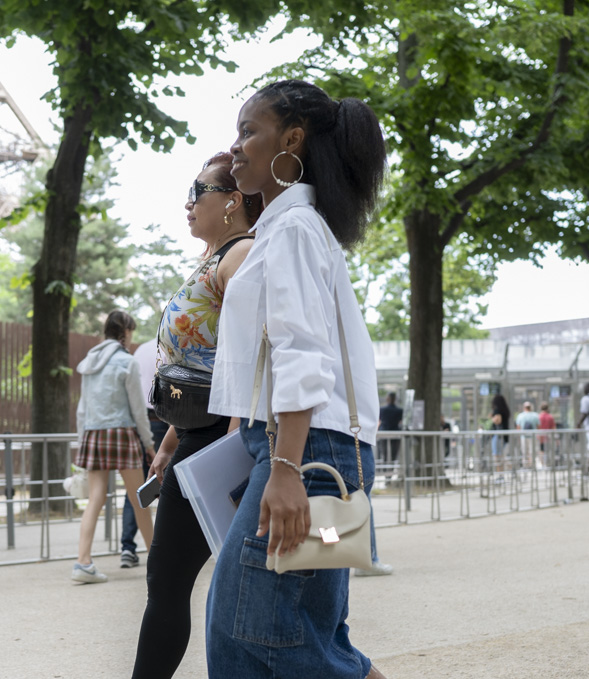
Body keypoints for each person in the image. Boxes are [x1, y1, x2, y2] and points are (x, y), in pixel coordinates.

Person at [205, 79, 388, 678]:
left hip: (306, 453)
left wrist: (283, 468)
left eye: (248, 131)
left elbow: (302, 353)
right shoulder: (289, 230)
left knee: (257, 634)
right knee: (287, 635)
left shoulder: (293, 231)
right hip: (305, 447)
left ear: (292, 140)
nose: (235, 147)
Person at [130, 152, 262, 679]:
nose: (187, 202)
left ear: (231, 201)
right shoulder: (215, 256)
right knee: (177, 579)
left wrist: (233, 449)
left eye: (198, 190)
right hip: (195, 433)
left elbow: (248, 360)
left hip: (220, 437)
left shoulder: (241, 255)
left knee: (173, 579)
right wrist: (168, 442)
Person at [72, 310, 155, 583]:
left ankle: (83, 563)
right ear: (126, 332)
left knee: (95, 498)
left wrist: (82, 438)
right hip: (121, 433)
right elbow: (138, 409)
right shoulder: (126, 362)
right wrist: (149, 443)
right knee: (139, 499)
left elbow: (82, 409)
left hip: (94, 434)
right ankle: (157, 562)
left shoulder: (88, 363)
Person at [121, 338, 169, 569]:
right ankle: (165, 546)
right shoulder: (172, 346)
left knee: (136, 488)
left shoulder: (141, 349)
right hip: (165, 420)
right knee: (166, 483)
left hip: (140, 422)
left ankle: (127, 548)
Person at [378, 391, 403, 468]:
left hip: (384, 434)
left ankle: (386, 470)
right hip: (395, 434)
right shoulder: (399, 411)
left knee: (384, 453)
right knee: (393, 455)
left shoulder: (382, 409)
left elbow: (380, 420)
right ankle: (390, 471)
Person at [490, 394, 511, 475]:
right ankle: (510, 471)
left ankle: (500, 474)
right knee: (501, 456)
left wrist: (492, 418)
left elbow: (498, 420)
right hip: (504, 436)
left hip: (498, 436)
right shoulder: (505, 410)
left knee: (497, 456)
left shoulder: (497, 410)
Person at [515, 401, 539, 468]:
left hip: (523, 436)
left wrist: (518, 436)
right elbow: (538, 426)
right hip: (533, 436)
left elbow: (518, 427)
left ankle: (526, 466)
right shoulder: (535, 415)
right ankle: (532, 465)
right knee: (532, 452)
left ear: (524, 407)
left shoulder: (520, 416)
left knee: (525, 452)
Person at [537, 402, 556, 469]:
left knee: (541, 450)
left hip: (540, 437)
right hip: (548, 437)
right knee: (548, 450)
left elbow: (537, 427)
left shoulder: (539, 416)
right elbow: (553, 428)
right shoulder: (550, 417)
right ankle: (547, 464)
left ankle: (542, 464)